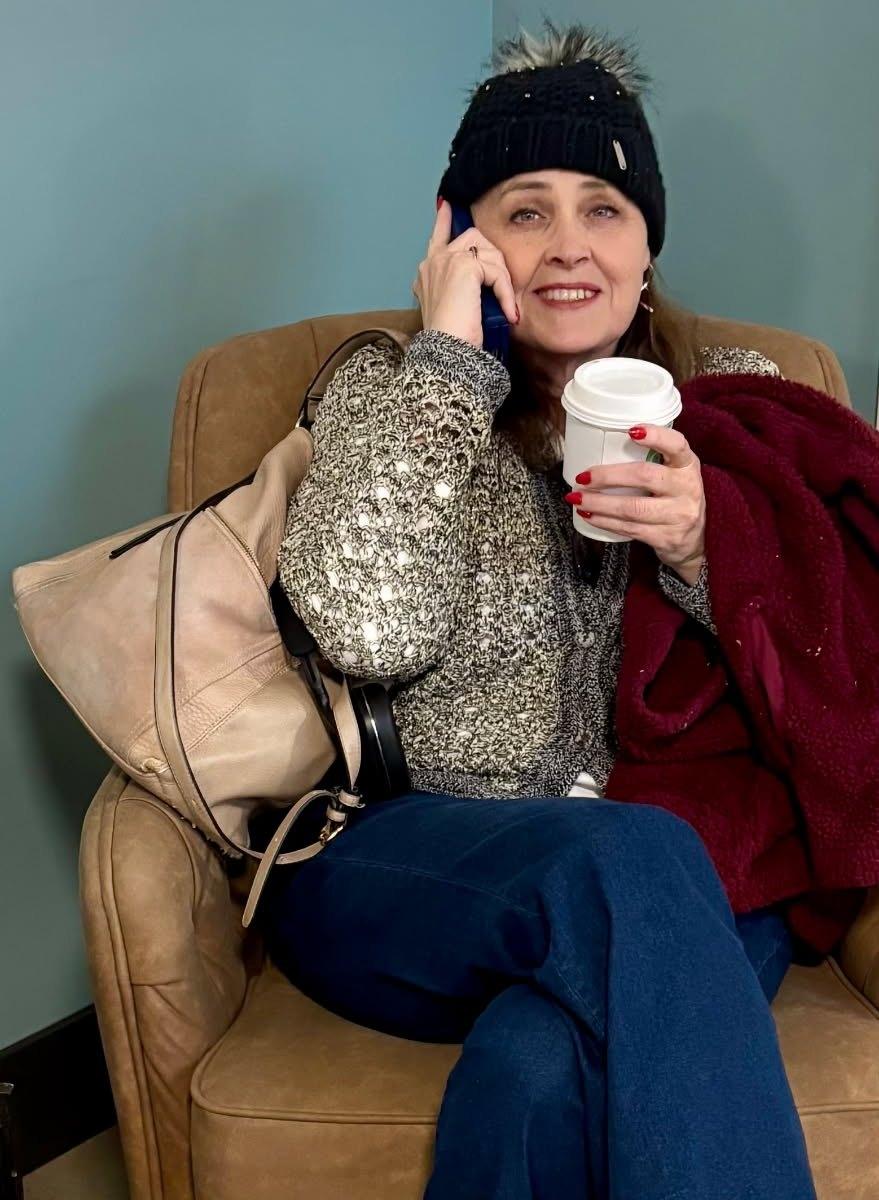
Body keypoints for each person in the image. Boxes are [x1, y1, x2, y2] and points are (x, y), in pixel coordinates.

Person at [259, 20, 827, 1199]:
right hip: (414, 860)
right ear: (461, 239)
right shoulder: (389, 388)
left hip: (689, 863)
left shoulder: (739, 411)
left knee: (535, 1067)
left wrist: (711, 547)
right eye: (525, 210)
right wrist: (450, 369)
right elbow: (367, 630)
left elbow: (831, 680)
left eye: (603, 209)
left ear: (647, 242)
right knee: (632, 858)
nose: (569, 245)